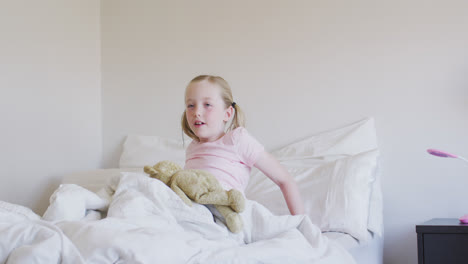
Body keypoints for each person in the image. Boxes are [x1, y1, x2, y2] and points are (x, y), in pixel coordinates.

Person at [181, 75, 304, 215]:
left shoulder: (236, 140)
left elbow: (285, 180)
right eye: (190, 105)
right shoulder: (192, 148)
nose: (196, 112)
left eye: (207, 105)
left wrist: (302, 223)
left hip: (226, 215)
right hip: (194, 213)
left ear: (227, 114)